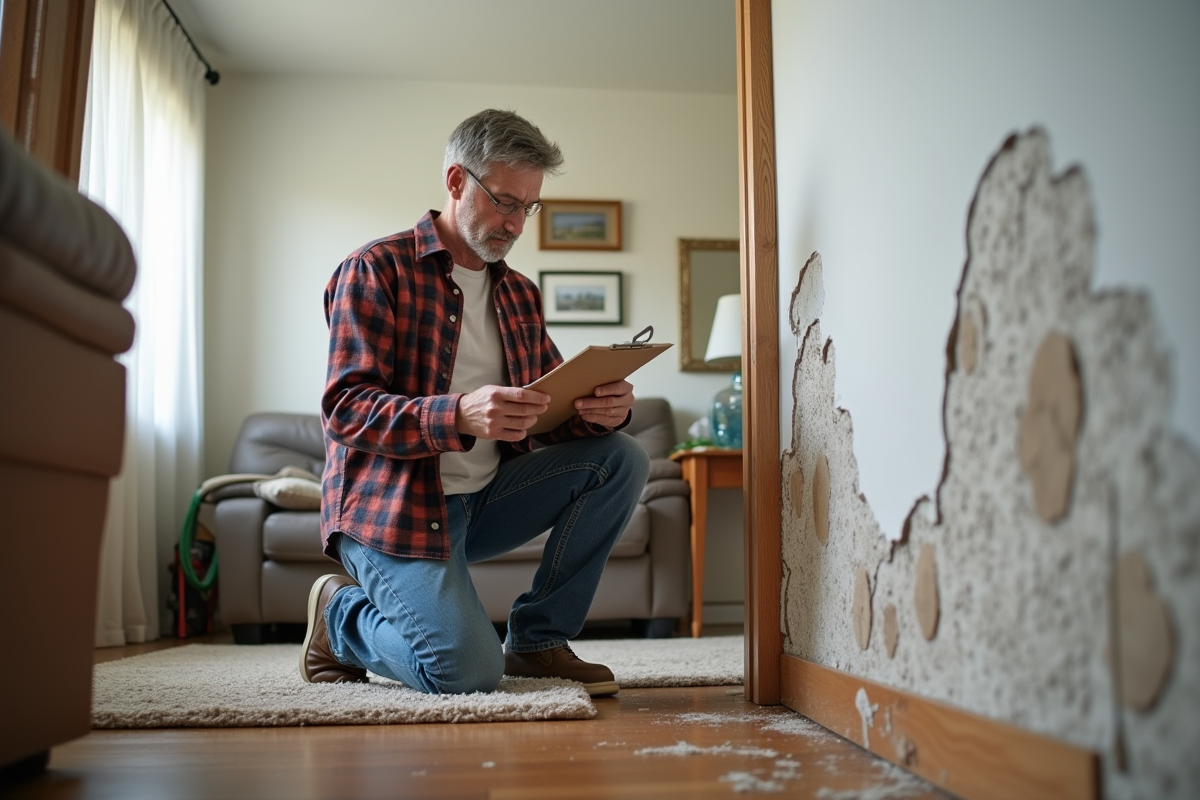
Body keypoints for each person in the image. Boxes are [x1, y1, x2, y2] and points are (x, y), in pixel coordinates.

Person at [300, 109, 649, 697]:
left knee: (622, 455)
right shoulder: (375, 270)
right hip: (390, 513)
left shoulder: (518, 293)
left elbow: (545, 411)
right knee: (466, 672)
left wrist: (599, 409)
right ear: (457, 181)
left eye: (529, 208)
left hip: (482, 502)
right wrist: (456, 414)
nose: (517, 224)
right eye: (506, 202)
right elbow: (346, 408)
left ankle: (538, 642)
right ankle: (340, 619)